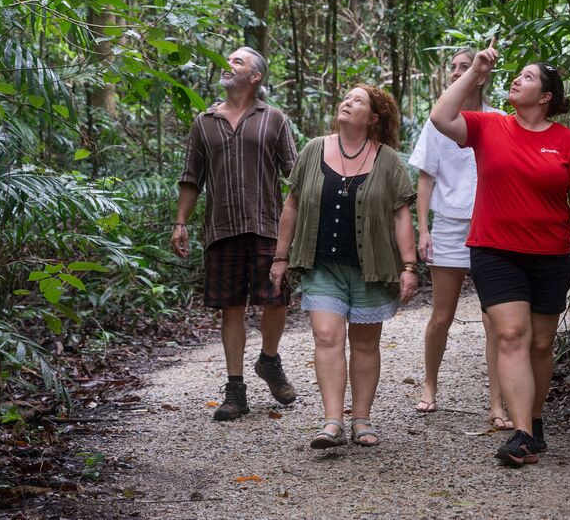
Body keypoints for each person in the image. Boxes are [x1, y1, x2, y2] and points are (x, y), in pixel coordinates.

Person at [430, 39, 570, 468]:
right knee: (510, 336)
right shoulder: (489, 126)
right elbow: (440, 116)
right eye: (516, 73)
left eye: (527, 76)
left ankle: (534, 422)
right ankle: (522, 434)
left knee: (541, 343)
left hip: (549, 255)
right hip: (494, 251)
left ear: (545, 97)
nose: (516, 79)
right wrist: (475, 71)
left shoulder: (568, 142)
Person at [269, 85, 419, 448]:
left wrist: (410, 266)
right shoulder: (313, 150)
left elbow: (402, 216)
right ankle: (332, 421)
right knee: (326, 336)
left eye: (358, 101)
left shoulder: (389, 160)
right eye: (346, 98)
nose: (347, 103)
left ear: (373, 118)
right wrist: (280, 257)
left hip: (371, 267)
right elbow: (292, 205)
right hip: (321, 265)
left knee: (365, 345)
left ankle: (362, 419)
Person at [171, 46, 299, 421]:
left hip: (268, 225)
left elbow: (294, 176)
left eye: (237, 61)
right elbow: (191, 177)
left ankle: (270, 361)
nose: (228, 66)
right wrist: (181, 222)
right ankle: (235, 389)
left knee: (276, 299)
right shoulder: (204, 121)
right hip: (221, 228)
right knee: (232, 308)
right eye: (228, 61)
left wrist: (299, 227)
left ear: (255, 76)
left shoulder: (274, 119)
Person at [409, 49, 512, 430]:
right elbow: (426, 178)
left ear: (480, 75)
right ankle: (429, 386)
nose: (455, 72)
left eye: (463, 67)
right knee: (441, 316)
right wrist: (424, 229)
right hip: (450, 226)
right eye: (452, 67)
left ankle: (497, 403)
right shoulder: (436, 120)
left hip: (491, 226)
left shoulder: (500, 120)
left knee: (494, 321)